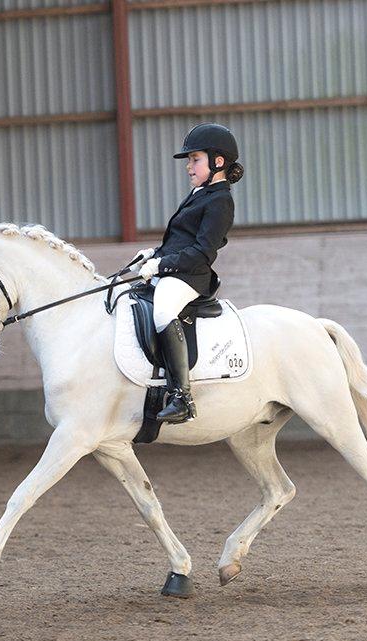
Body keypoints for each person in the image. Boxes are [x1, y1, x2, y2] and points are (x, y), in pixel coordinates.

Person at [131, 122, 244, 424]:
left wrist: (162, 265)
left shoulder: (220, 201)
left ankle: (182, 397)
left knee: (164, 310)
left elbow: (202, 253)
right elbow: (180, 241)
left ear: (217, 161)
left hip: (191, 276)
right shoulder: (199, 193)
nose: (189, 167)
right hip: (175, 268)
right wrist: (153, 254)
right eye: (190, 161)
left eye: (195, 159)